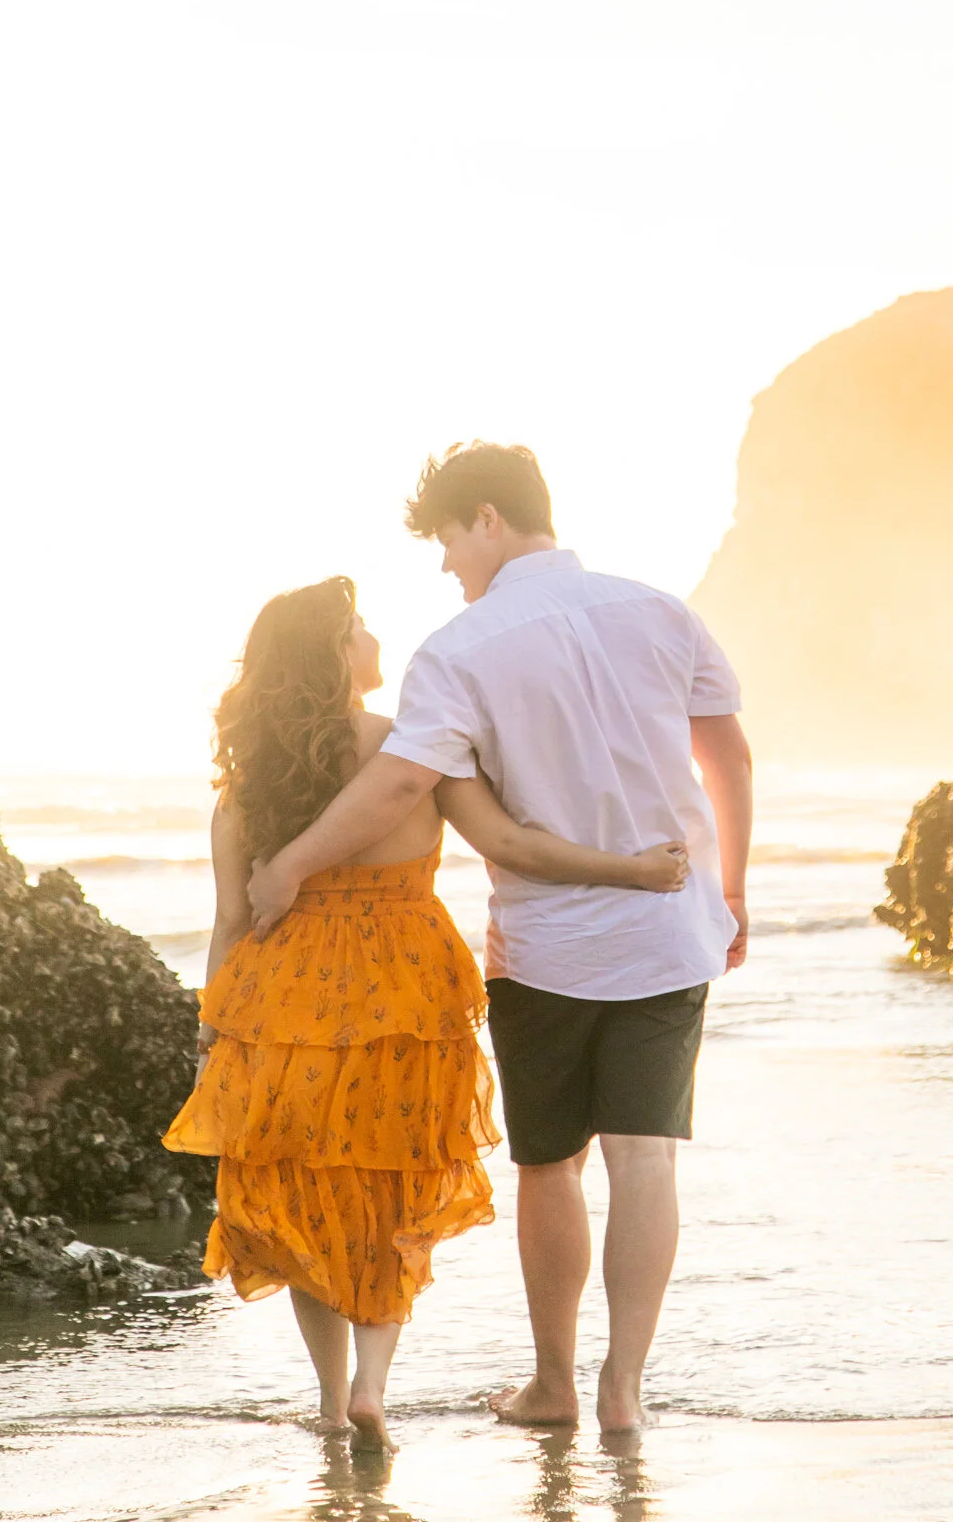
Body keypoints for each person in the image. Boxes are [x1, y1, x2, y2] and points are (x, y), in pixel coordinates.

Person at [248, 445, 753, 1432]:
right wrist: (730, 887)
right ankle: (624, 1391)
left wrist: (292, 863)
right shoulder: (657, 608)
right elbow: (726, 750)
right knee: (646, 1154)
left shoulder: (459, 647)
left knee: (550, 1162)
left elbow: (401, 781)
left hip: (545, 948)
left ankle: (555, 1382)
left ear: (485, 519)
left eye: (445, 538)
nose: (444, 564)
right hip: (668, 928)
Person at [163, 575, 689, 1449]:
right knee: (392, 1194)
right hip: (403, 992)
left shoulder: (249, 784)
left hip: (284, 1002)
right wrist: (629, 870)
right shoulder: (414, 752)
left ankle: (333, 1404)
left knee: (304, 1197)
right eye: (360, 628)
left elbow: (230, 921)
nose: (375, 639)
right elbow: (512, 845)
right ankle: (373, 1385)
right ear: (336, 655)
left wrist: (216, 1032)